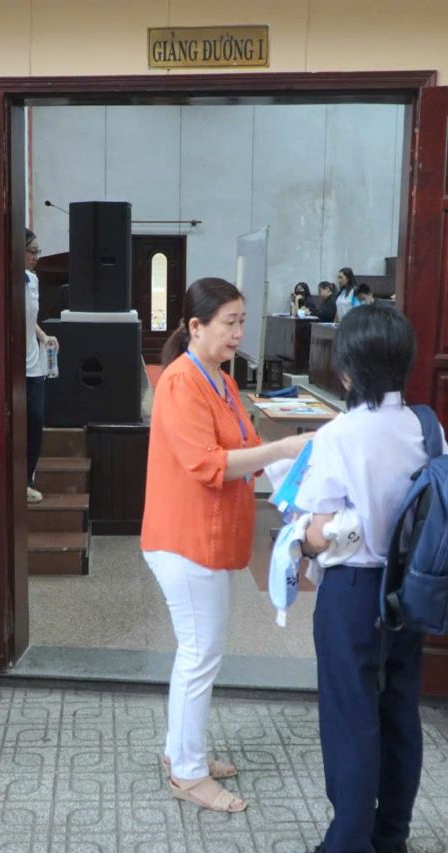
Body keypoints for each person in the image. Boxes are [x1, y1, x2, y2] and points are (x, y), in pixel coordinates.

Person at [141, 278, 309, 813]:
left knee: (200, 653)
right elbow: (207, 464)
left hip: (207, 536)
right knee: (199, 655)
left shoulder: (221, 381)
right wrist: (284, 446)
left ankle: (180, 752)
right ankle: (188, 774)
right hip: (183, 537)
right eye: (229, 322)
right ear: (195, 326)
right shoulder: (179, 383)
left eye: (242, 320)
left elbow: (251, 450)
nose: (239, 332)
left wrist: (298, 473)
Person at [282, 304, 434, 853]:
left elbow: (325, 534)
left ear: (346, 370)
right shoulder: (425, 424)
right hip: (411, 589)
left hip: (353, 591)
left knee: (351, 717)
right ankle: (390, 845)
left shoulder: (339, 434)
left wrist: (297, 536)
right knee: (399, 712)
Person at [24, 228, 59, 504]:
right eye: (32, 251)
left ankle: (26, 480)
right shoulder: (3, 280)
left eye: (38, 251)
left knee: (36, 419)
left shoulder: (33, 280)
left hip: (33, 362)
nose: (37, 256)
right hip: (11, 365)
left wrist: (44, 335)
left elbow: (29, 318)